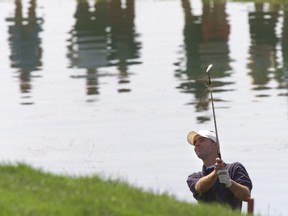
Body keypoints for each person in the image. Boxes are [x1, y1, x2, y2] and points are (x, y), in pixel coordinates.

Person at [186, 129, 253, 210]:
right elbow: (199, 188)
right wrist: (215, 173)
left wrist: (229, 183)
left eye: (202, 140)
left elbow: (246, 196)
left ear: (216, 145)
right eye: (195, 142)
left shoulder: (235, 168)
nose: (197, 144)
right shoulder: (194, 177)